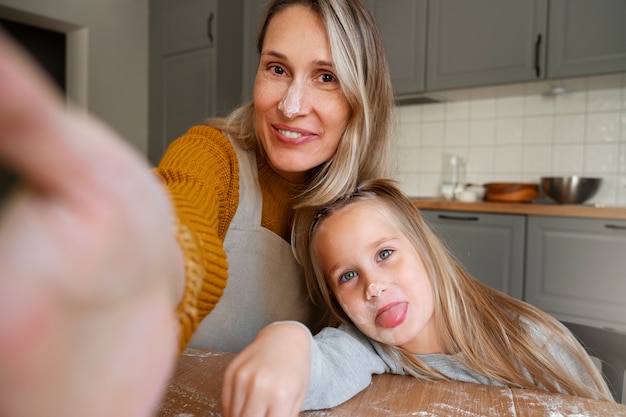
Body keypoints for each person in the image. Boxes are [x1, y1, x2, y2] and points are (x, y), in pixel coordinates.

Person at [0, 0, 394, 415]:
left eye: (326, 76)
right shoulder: (209, 155)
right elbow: (182, 227)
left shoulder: (361, 209)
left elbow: (405, 325)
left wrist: (300, 350)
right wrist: (149, 269)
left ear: (359, 97)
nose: (291, 105)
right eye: (276, 69)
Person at [222, 178, 615, 415]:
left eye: (385, 254)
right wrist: (286, 340)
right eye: (348, 275)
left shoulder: (532, 343)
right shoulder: (371, 347)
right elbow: (319, 371)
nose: (372, 286)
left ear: (425, 249)